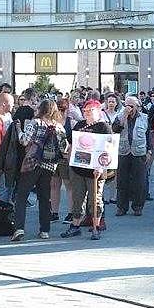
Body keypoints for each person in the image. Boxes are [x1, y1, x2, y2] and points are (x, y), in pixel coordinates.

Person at [11, 100, 68, 241]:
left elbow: (24, 141)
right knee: (44, 197)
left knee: (22, 196)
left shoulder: (35, 123)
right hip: (49, 165)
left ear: (41, 109)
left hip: (32, 162)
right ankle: (44, 230)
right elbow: (64, 148)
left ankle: (19, 228)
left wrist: (19, 129)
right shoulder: (59, 127)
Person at [61, 100, 112, 241]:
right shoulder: (80, 125)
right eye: (85, 110)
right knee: (78, 198)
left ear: (98, 111)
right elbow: (71, 144)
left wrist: (101, 167)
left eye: (90, 110)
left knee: (95, 199)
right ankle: (75, 226)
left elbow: (108, 150)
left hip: (95, 170)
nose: (87, 113)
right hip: (78, 168)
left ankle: (96, 227)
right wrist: (70, 161)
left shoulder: (104, 127)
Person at [112, 96, 151, 217]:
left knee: (139, 181)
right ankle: (121, 207)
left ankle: (138, 206)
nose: (129, 108)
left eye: (131, 106)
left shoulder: (144, 118)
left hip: (139, 152)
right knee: (122, 181)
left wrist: (149, 151)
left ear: (137, 107)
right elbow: (115, 129)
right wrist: (124, 114)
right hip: (123, 152)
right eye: (127, 105)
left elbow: (149, 135)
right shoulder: (119, 116)